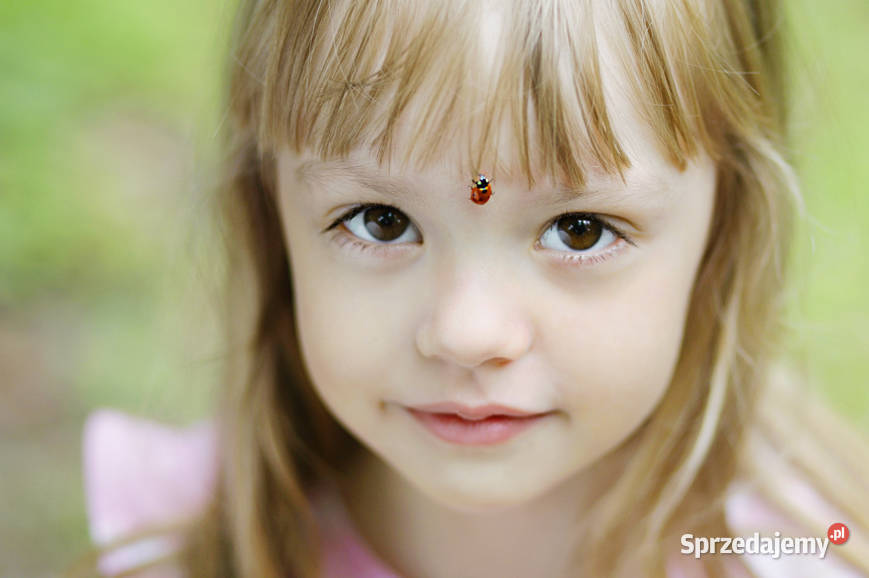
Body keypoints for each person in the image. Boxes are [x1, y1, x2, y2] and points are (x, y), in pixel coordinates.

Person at [71, 0, 869, 576]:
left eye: (579, 229)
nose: (467, 332)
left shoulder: (802, 551)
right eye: (382, 221)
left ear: (722, 233)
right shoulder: (188, 547)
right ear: (269, 216)